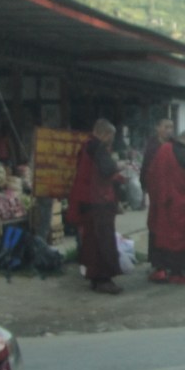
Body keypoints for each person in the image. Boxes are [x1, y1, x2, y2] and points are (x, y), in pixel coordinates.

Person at [67, 118, 125, 294]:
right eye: (111, 136)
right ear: (105, 134)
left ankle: (94, 277)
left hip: (87, 199)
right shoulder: (98, 147)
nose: (111, 140)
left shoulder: (87, 145)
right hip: (98, 201)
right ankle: (103, 279)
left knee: (91, 240)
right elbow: (107, 169)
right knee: (103, 241)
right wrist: (119, 166)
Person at [145, 130, 185, 284]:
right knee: (180, 238)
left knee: (160, 233)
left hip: (161, 202)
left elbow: (151, 173)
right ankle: (176, 272)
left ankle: (160, 270)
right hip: (180, 205)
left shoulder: (164, 149)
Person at [141, 118, 174, 276]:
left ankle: (169, 261)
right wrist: (145, 189)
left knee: (170, 228)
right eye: (166, 127)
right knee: (155, 226)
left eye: (171, 127)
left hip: (171, 195)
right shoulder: (152, 146)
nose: (169, 130)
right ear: (157, 128)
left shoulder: (174, 145)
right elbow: (146, 169)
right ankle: (156, 262)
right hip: (156, 194)